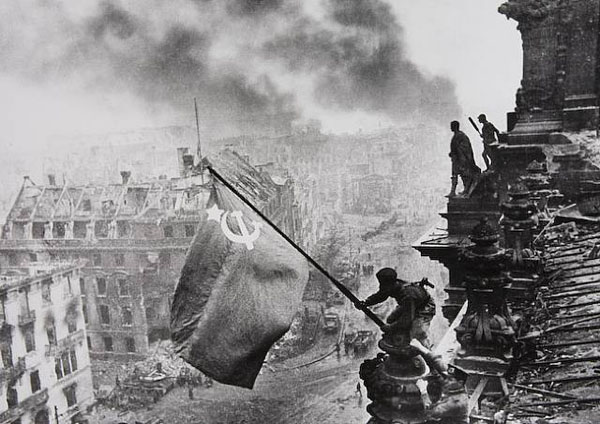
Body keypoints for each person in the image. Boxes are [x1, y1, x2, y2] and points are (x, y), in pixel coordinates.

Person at [359, 268, 435, 347]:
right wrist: (366, 302)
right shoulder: (391, 285)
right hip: (409, 304)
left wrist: (390, 328)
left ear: (391, 284)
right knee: (391, 319)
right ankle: (402, 342)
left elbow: (407, 319)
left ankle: (425, 352)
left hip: (424, 308)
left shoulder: (408, 294)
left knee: (418, 333)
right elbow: (381, 295)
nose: (382, 287)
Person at [449, 121, 480, 197]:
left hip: (461, 159)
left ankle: (466, 190)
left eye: (452, 126)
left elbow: (464, 147)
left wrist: (457, 152)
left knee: (464, 175)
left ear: (455, 126)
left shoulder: (460, 135)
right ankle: (453, 191)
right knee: (455, 174)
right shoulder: (458, 135)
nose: (451, 127)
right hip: (456, 158)